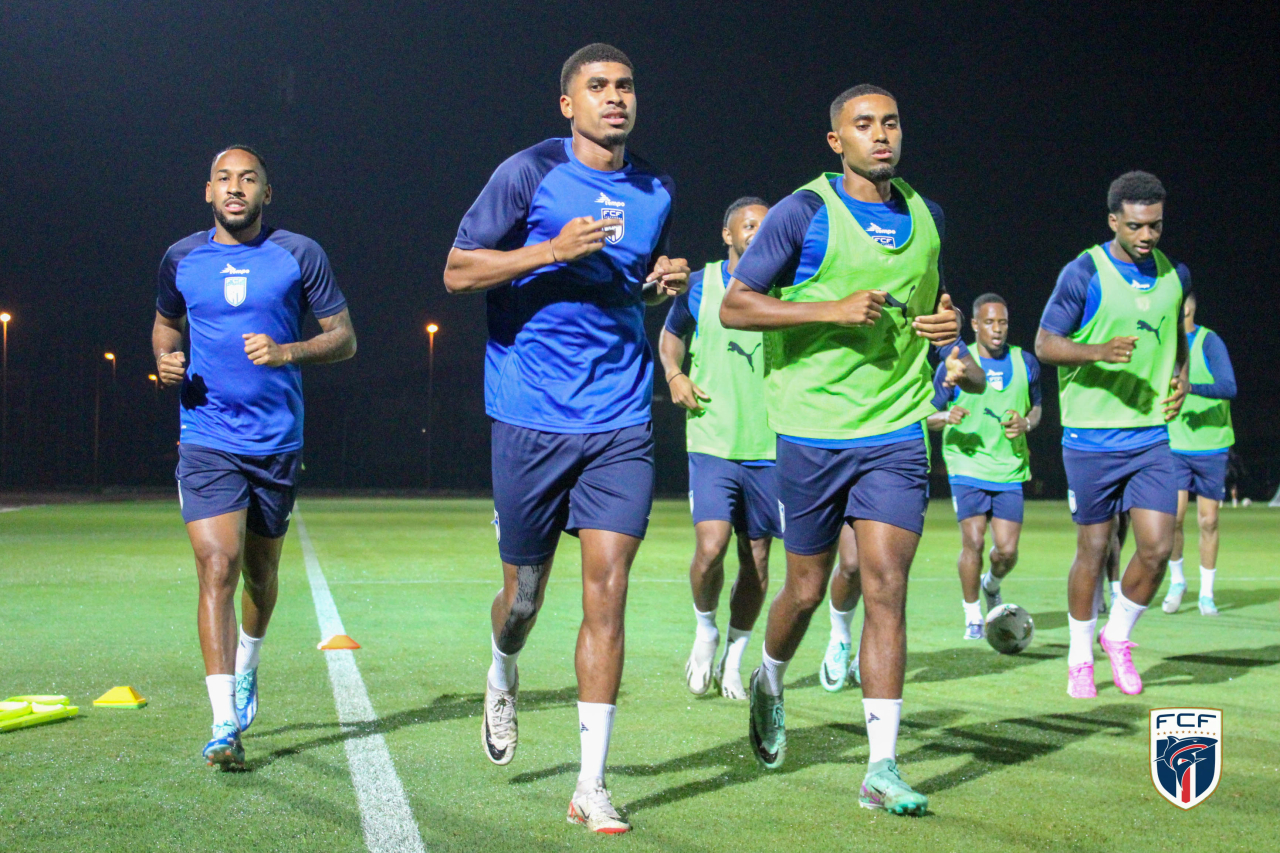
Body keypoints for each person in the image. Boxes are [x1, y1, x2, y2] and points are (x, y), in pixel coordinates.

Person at [443, 43, 688, 834]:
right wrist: (550, 248)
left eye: (626, 85)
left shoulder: (656, 187)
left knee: (608, 591)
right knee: (523, 598)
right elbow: (457, 271)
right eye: (598, 87)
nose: (615, 98)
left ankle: (591, 783)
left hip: (619, 415)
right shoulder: (528, 173)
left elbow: (625, 286)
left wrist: (657, 288)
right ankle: (503, 668)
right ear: (567, 104)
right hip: (530, 412)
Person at [719, 84, 982, 815]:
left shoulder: (927, 217)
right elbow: (735, 305)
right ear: (837, 142)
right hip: (810, 431)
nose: (881, 135)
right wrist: (829, 309)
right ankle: (771, 677)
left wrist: (946, 328)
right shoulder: (801, 213)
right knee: (805, 589)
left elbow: (932, 306)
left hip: (895, 428)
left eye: (890, 122)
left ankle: (881, 765)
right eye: (864, 125)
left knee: (884, 583)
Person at [152, 145, 356, 769]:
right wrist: (165, 359)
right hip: (206, 437)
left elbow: (344, 338)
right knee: (218, 564)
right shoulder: (181, 258)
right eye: (224, 178)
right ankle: (222, 722)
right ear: (207, 191)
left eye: (248, 179)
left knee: (260, 576)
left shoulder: (299, 254)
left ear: (267, 193)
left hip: (275, 442)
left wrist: (287, 351)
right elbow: (166, 324)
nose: (235, 188)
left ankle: (248, 665)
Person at [1035, 170, 1189, 700]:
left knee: (1157, 549)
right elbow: (1045, 344)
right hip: (1091, 439)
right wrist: (1098, 352)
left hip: (1150, 436)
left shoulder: (1175, 275)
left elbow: (1175, 335)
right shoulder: (1084, 272)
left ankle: (1116, 634)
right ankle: (1080, 658)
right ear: (1113, 221)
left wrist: (1183, 374)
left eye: (1156, 225)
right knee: (1096, 548)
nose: (1147, 236)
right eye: (1136, 226)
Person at [660, 197, 779, 701]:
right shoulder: (702, 283)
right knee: (711, 549)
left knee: (757, 561)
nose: (759, 232)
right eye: (749, 225)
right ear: (728, 234)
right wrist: (674, 374)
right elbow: (671, 337)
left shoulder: (789, 287)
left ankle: (734, 654)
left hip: (771, 445)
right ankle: (706, 629)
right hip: (711, 437)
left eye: (766, 225)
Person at [928, 293, 1041, 639]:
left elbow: (1038, 407)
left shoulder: (1025, 362)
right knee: (974, 541)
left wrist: (1027, 423)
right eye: (989, 322)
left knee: (1006, 551)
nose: (997, 329)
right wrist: (946, 416)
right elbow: (926, 415)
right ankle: (973, 615)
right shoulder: (957, 362)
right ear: (975, 325)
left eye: (1002, 322)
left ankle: (991, 584)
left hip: (1009, 467)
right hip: (966, 464)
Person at [1163, 291, 1236, 615]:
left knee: (1209, 520)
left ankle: (1206, 593)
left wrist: (1191, 387)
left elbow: (1229, 387)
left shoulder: (1209, 342)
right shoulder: (1165, 344)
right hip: (1175, 446)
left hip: (1211, 446)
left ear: (1187, 310)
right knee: (1173, 519)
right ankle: (1177, 581)